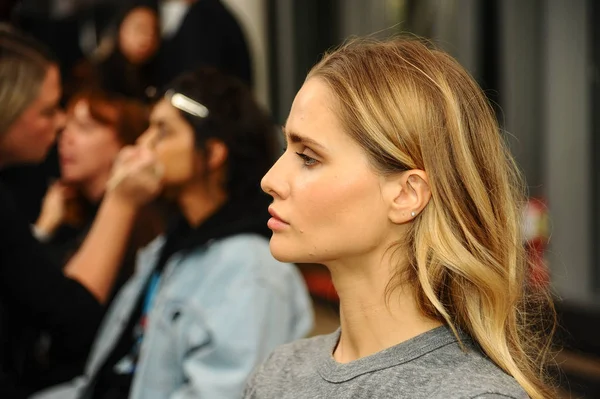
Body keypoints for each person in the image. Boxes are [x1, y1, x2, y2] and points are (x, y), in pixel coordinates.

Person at [244, 38, 557, 399]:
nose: (270, 180)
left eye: (309, 157)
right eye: (286, 148)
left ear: (407, 193)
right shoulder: (277, 375)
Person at [34, 67, 313, 399]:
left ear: (212, 153)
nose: (143, 143)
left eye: (162, 131)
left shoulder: (250, 271)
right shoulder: (173, 245)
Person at [0, 25, 162, 397]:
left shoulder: (146, 232)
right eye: (53, 113)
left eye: (84, 126)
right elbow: (57, 310)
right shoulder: (63, 218)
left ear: (125, 143)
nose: (62, 131)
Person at [69, 4, 160, 102]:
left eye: (153, 32)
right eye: (140, 29)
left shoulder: (156, 75)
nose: (147, 38)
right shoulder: (93, 74)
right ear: (121, 29)